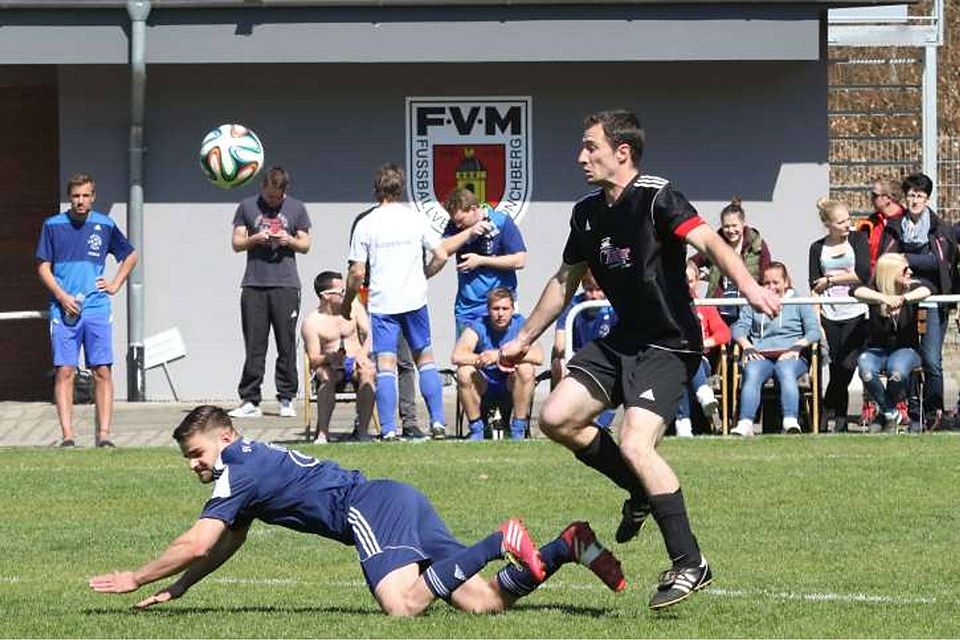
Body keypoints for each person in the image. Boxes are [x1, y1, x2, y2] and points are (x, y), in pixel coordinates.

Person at [498, 110, 781, 610]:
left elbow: (711, 241)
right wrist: (523, 338)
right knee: (557, 417)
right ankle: (642, 491)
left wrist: (750, 285)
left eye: (591, 147)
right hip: (623, 338)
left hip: (669, 342)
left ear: (621, 152)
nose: (581, 156)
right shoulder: (586, 212)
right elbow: (564, 281)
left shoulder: (657, 196)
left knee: (636, 442)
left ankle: (690, 562)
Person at [88, 405, 627, 616]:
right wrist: (183, 588)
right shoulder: (249, 463)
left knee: (402, 606)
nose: (193, 465)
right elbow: (228, 540)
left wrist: (136, 576)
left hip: (369, 508)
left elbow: (199, 540)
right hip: (399, 498)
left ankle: (498, 539)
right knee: (483, 603)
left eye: (196, 454)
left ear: (225, 438)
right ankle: (568, 545)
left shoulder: (237, 468)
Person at [343, 164, 449, 441]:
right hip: (414, 300)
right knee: (425, 359)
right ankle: (438, 422)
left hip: (383, 302)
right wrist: (424, 273)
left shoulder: (366, 223)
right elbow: (441, 255)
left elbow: (356, 272)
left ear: (376, 189)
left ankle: (389, 429)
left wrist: (348, 301)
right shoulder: (415, 219)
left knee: (386, 365)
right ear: (401, 188)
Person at [35, 172, 138, 448]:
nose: (80, 201)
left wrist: (115, 283)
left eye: (85, 195)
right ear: (69, 198)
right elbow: (43, 266)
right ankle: (68, 436)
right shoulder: (53, 226)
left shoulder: (104, 225)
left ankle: (103, 435)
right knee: (65, 371)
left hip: (96, 308)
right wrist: (61, 294)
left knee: (102, 370)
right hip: (63, 310)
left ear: (93, 197)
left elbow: (130, 254)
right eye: (76, 196)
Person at [228, 167, 312, 419]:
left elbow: (305, 244)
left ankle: (286, 398)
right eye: (268, 196)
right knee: (255, 344)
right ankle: (250, 400)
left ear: (285, 193)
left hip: (286, 284)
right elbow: (236, 243)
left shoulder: (297, 208)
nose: (272, 202)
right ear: (262, 188)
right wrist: (256, 238)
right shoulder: (247, 206)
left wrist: (289, 240)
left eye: (276, 198)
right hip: (254, 283)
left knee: (286, 344)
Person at [878, 173, 957, 430]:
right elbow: (884, 260)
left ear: (927, 198)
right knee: (909, 355)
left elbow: (940, 263)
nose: (914, 200)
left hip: (934, 299)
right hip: (902, 299)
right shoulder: (894, 227)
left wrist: (906, 259)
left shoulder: (940, 228)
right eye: (911, 195)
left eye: (919, 195)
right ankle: (913, 412)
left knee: (932, 359)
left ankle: (935, 411)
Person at [350, 204, 425, 440]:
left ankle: (409, 421)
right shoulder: (365, 221)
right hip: (372, 302)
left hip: (404, 302)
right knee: (371, 365)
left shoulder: (410, 221)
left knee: (404, 362)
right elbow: (356, 266)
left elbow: (419, 263)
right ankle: (365, 423)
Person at [731, 262, 821, 436]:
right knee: (752, 372)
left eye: (776, 282)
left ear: (786, 282)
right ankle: (745, 422)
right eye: (766, 283)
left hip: (791, 355)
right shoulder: (754, 303)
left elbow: (814, 331)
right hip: (761, 355)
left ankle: (790, 421)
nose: (771, 287)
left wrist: (797, 347)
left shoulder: (799, 301)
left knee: (785, 370)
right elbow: (739, 328)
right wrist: (747, 346)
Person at [807, 197, 869, 433]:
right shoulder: (817, 248)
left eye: (848, 220)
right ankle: (839, 419)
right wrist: (817, 317)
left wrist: (832, 279)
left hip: (856, 311)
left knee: (847, 364)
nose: (847, 226)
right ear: (828, 225)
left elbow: (862, 273)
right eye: (841, 222)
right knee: (835, 367)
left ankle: (825, 408)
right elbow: (814, 284)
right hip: (830, 315)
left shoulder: (857, 239)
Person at [451, 288, 544, 440]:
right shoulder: (479, 325)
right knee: (464, 372)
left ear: (513, 309)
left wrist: (500, 356)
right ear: (488, 310)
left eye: (505, 309)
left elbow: (539, 356)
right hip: (484, 384)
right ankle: (477, 430)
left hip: (511, 383)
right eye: (496, 309)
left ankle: (518, 430)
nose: (500, 314)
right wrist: (480, 359)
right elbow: (457, 356)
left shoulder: (521, 325)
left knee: (527, 369)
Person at [852, 253, 930, 432]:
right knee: (865, 369)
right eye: (904, 270)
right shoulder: (874, 290)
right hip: (877, 350)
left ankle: (884, 413)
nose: (910, 272)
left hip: (906, 349)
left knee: (897, 371)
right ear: (891, 272)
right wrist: (884, 298)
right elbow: (855, 290)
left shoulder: (911, 288)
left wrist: (903, 299)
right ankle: (891, 412)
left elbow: (928, 288)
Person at [301, 270, 375, 444]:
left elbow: (370, 334)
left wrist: (363, 354)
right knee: (325, 377)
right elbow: (313, 359)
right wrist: (329, 358)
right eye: (341, 292)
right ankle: (323, 434)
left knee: (368, 372)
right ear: (326, 296)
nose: (346, 294)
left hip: (355, 361)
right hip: (330, 366)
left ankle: (362, 431)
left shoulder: (354, 306)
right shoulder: (312, 322)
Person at [441, 187, 527, 334]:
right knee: (464, 355)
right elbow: (442, 250)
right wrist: (468, 233)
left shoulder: (501, 222)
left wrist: (481, 261)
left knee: (504, 355)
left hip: (499, 306)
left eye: (461, 221)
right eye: (455, 222)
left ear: (473, 209)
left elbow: (520, 260)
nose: (458, 226)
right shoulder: (456, 227)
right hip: (468, 308)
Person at [552, 270, 619, 430]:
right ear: (583, 286)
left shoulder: (615, 306)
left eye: (599, 290)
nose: (595, 296)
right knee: (558, 363)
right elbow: (559, 343)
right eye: (590, 290)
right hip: (578, 359)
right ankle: (561, 417)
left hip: (607, 359)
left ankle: (603, 423)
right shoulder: (574, 305)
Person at [690, 197, 771, 327]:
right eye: (726, 226)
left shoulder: (758, 245)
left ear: (743, 223)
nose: (731, 230)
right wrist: (698, 275)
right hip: (719, 304)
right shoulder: (715, 245)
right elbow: (693, 262)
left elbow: (766, 272)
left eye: (734, 226)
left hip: (748, 304)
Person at [674, 262, 729, 438]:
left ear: (697, 281)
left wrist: (706, 342)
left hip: (700, 361)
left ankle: (689, 416)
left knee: (691, 358)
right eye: (681, 280)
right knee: (680, 369)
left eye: (689, 280)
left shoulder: (705, 305)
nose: (685, 285)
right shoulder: (669, 307)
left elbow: (724, 333)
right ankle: (701, 397)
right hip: (674, 361)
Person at [863, 177, 905, 273]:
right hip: (870, 276)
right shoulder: (872, 221)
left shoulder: (905, 222)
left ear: (888, 198)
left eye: (874, 195)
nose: (871, 198)